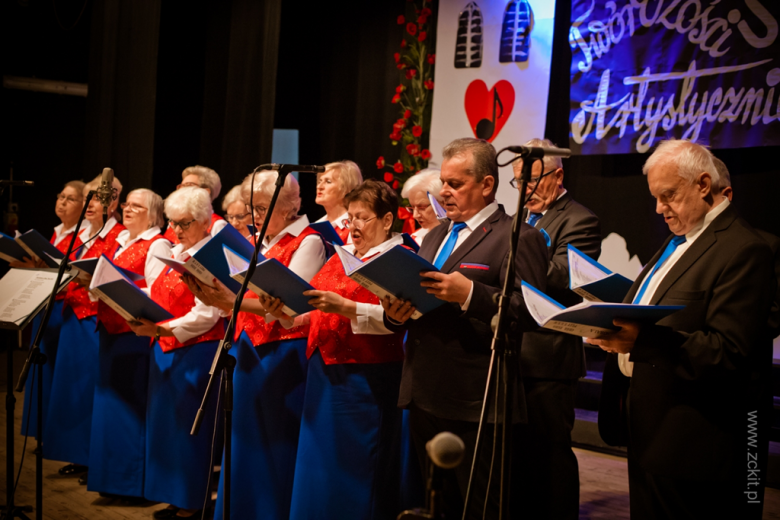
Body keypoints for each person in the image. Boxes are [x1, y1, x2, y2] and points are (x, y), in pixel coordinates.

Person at [595, 140, 776, 519]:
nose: (660, 208)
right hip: (650, 433)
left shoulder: (743, 248)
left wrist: (641, 340)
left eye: (668, 195)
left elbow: (728, 352)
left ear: (704, 184)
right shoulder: (681, 240)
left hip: (690, 448)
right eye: (656, 198)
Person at [383, 138, 549, 519]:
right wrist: (395, 310)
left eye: (455, 184)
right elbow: (416, 295)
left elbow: (531, 313)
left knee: (479, 509)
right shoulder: (438, 235)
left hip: (477, 400)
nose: (444, 191)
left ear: (487, 184)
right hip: (424, 390)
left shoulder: (518, 236)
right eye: (443, 182)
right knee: (436, 505)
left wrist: (471, 294)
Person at [262, 179, 410, 520]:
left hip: (365, 377)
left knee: (354, 465)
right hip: (323, 373)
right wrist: (284, 310)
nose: (353, 226)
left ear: (387, 221)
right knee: (319, 465)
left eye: (362, 218)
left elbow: (395, 321)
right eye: (351, 217)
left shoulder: (399, 258)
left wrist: (343, 307)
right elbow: (312, 308)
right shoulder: (342, 255)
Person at [186, 170, 328, 520]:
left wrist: (226, 301)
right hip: (247, 348)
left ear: (291, 207)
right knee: (243, 442)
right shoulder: (256, 242)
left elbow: (289, 304)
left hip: (282, 353)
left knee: (272, 442)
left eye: (263, 208)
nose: (255, 217)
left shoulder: (308, 241)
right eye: (252, 208)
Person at [511, 138, 601, 519]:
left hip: (549, 358)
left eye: (532, 181)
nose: (525, 191)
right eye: (518, 182)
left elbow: (561, 277)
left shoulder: (580, 219)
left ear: (557, 174)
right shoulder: (516, 218)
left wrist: (508, 258)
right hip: (512, 354)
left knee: (549, 457)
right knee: (517, 458)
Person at [128, 187, 225, 519]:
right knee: (166, 429)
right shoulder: (177, 252)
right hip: (166, 348)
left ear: (203, 221)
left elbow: (208, 314)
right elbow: (162, 296)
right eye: (173, 223)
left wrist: (161, 329)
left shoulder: (209, 256)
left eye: (183, 223)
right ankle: (174, 497)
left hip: (197, 352)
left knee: (189, 431)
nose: (177, 231)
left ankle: (192, 504)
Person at [87, 189, 172, 500]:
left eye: (137, 206)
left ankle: (132, 485)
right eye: (126, 204)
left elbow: (156, 291)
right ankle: (112, 480)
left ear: (153, 214)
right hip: (111, 331)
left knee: (130, 409)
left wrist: (123, 287)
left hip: (134, 335)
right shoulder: (122, 241)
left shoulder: (157, 242)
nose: (128, 209)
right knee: (111, 408)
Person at [45, 174, 125, 482]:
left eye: (97, 198)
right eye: (88, 198)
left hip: (94, 318)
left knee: (93, 389)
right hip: (73, 316)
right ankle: (78, 454)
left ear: (113, 201)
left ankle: (94, 458)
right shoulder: (83, 233)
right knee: (73, 389)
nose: (90, 204)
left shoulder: (117, 234)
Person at [18, 180, 87, 438]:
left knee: (59, 376)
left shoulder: (81, 237)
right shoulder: (57, 231)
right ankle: (42, 431)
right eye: (60, 196)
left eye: (70, 198)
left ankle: (54, 435)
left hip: (64, 309)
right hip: (45, 304)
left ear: (84, 206)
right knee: (42, 373)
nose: (62, 202)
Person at [163, 165, 227, 243]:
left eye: (188, 185)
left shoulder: (217, 225)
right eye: (181, 186)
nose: (181, 190)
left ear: (205, 192)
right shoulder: (175, 221)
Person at [314, 160, 363, 244]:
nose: (319, 186)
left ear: (347, 189)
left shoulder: (354, 227)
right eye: (319, 181)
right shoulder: (315, 226)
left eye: (328, 181)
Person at [400, 168, 443, 245]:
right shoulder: (414, 239)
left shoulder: (457, 240)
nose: (415, 215)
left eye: (422, 207)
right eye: (412, 208)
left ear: (443, 202)